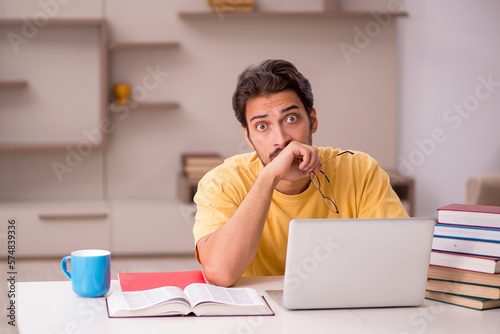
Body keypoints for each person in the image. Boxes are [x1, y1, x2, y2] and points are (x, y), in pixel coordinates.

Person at [193, 59, 408, 287]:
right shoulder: (221, 182)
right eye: (262, 126)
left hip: (342, 305)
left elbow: (399, 259)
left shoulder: (360, 170)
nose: (282, 139)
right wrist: (268, 177)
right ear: (248, 137)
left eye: (291, 119)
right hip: (257, 314)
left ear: (312, 120)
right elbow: (220, 274)